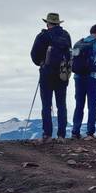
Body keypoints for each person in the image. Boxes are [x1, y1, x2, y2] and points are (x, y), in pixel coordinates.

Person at [31, 13, 72, 143]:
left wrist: (41, 63)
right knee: (61, 105)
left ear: (47, 23)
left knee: (46, 105)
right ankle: (61, 135)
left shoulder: (43, 36)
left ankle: (47, 135)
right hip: (62, 74)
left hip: (46, 73)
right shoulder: (66, 35)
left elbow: (34, 55)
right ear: (59, 23)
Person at [71, 24, 96, 141]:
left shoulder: (78, 43)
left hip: (78, 77)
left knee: (79, 105)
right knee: (92, 105)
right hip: (92, 78)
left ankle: (75, 132)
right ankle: (90, 133)